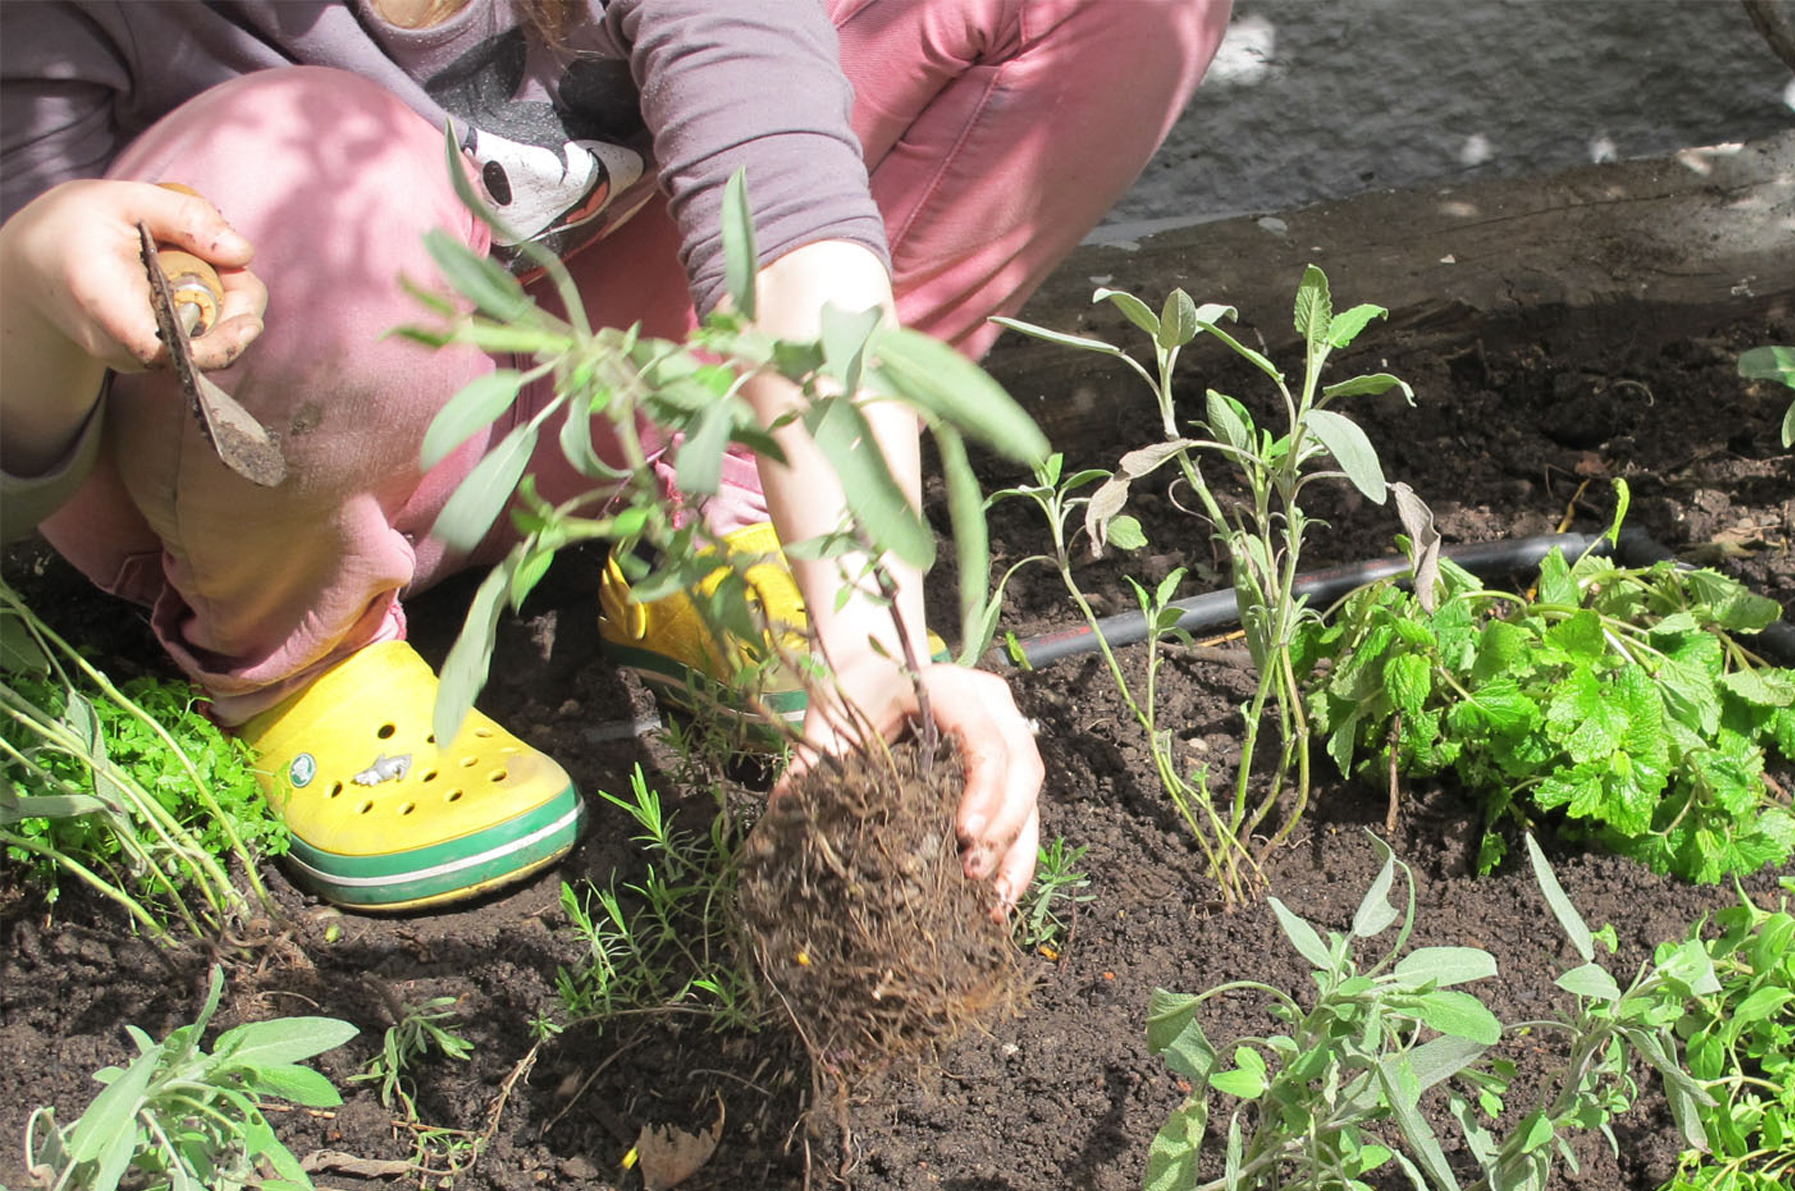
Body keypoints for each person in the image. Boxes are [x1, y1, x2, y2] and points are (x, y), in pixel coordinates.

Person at [0, 0, 1231, 911]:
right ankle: (297, 654)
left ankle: (731, 507)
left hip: (596, 373)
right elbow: (30, 472)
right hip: (260, 471)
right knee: (305, 166)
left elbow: (785, 231)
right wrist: (27, 285)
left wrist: (870, 636)